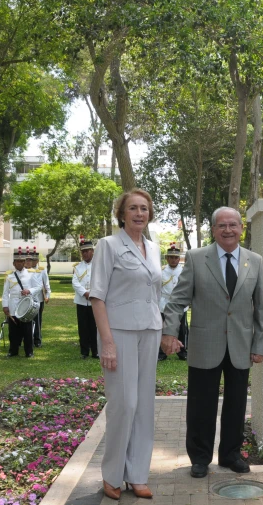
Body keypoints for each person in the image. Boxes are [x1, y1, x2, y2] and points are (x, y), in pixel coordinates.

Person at [162, 207, 263, 479]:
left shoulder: (254, 261)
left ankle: (231, 454)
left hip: (241, 346)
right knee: (201, 405)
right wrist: (169, 332)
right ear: (213, 229)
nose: (228, 230)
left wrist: (259, 345)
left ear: (241, 228)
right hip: (204, 345)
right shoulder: (197, 259)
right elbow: (177, 301)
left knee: (236, 404)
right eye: (222, 225)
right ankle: (200, 458)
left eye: (233, 225)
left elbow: (262, 308)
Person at [90, 189, 161, 500]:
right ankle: (113, 474)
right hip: (118, 332)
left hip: (150, 329)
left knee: (144, 405)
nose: (139, 213)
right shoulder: (108, 245)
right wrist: (107, 342)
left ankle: (138, 474)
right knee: (124, 404)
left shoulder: (154, 248)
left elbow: (156, 293)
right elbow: (97, 296)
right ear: (121, 213)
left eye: (144, 208)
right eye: (133, 208)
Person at [2, 248, 42, 358]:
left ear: (24, 263)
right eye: (17, 262)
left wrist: (29, 291)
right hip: (13, 304)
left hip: (26, 304)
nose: (19, 263)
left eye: (21, 261)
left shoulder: (31, 274)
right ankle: (13, 350)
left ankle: (29, 351)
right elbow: (5, 292)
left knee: (27, 329)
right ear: (13, 263)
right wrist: (5, 306)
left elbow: (39, 287)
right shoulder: (9, 276)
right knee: (13, 330)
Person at [159, 243, 188, 361]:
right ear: (167, 258)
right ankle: (162, 352)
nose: (173, 259)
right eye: (170, 257)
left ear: (179, 258)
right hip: (164, 302)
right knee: (163, 328)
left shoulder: (184, 271)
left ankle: (183, 352)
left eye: (176, 257)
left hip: (180, 304)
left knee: (182, 329)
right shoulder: (161, 271)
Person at [72, 238, 98, 360]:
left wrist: (93, 293)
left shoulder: (99, 265)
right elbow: (75, 282)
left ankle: (96, 351)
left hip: (96, 301)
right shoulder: (78, 267)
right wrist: (85, 293)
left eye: (87, 251)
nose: (85, 254)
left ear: (92, 251)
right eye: (83, 252)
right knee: (83, 327)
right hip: (82, 301)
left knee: (95, 327)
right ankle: (84, 351)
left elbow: (102, 281)